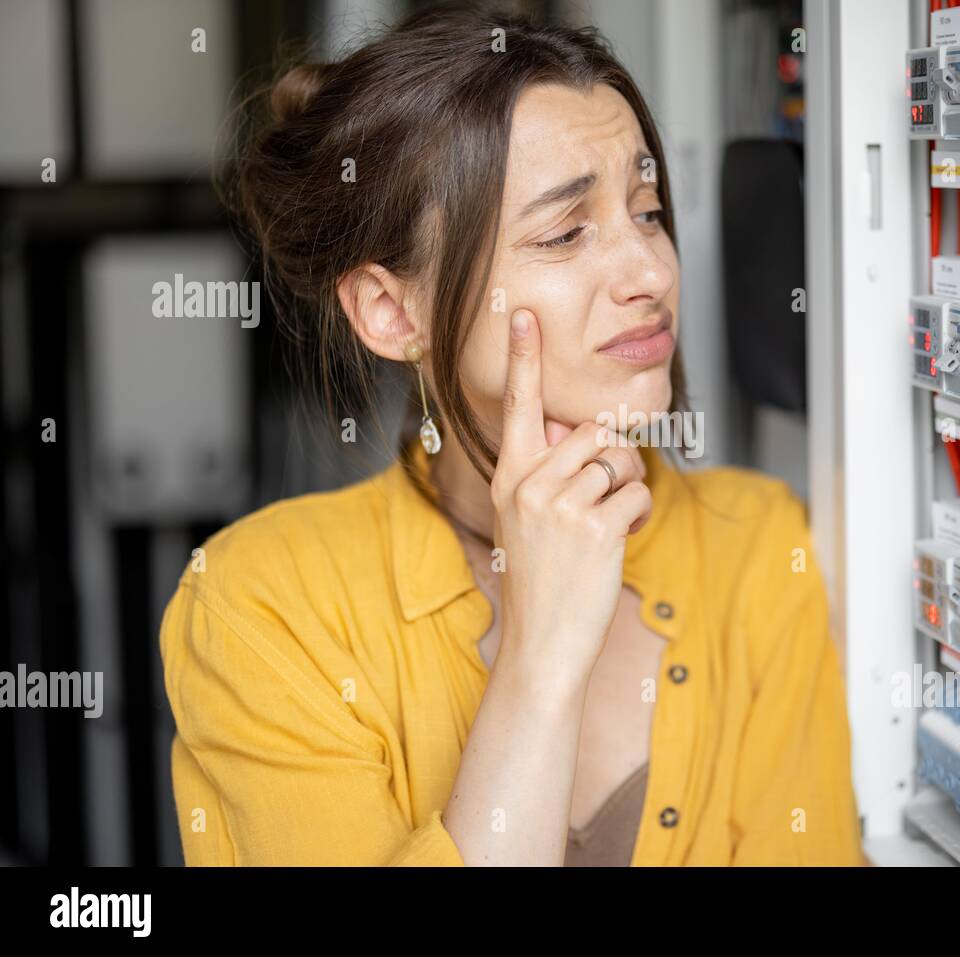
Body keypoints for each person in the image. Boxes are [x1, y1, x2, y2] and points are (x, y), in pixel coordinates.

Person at [159, 1, 864, 867]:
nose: (651, 270)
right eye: (565, 232)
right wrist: (540, 659)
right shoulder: (263, 605)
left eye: (646, 210)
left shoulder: (757, 545)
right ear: (390, 310)